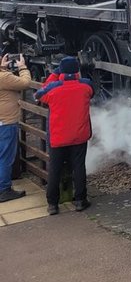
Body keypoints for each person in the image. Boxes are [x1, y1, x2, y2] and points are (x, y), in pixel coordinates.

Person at [34, 56, 94, 214]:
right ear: (77, 71)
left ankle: (52, 204)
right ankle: (81, 200)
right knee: (79, 167)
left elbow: (38, 95)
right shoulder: (86, 86)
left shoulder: (53, 88)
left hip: (59, 137)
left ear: (61, 70)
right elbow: (91, 92)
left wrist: (55, 75)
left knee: (54, 168)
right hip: (79, 135)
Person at [0, 53, 31, 202]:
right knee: (6, 156)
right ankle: (4, 190)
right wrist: (22, 67)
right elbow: (25, 83)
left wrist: (2, 68)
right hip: (6, 122)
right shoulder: (4, 78)